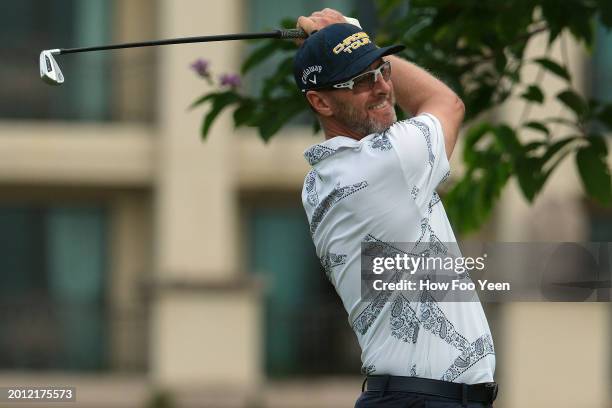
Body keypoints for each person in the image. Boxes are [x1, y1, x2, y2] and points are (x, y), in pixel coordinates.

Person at [294, 9, 498, 408]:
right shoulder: (386, 162)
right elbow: (445, 103)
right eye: (359, 80)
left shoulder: (325, 176)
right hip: (422, 400)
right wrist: (350, 32)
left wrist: (348, 44)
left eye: (382, 69)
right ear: (320, 101)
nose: (382, 87)